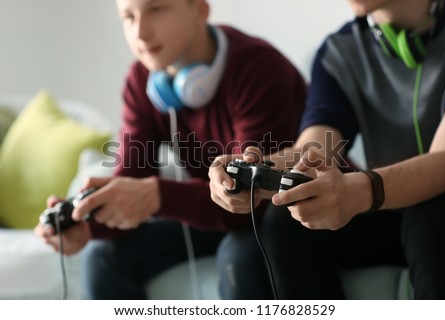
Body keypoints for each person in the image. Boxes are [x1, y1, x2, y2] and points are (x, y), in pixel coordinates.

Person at [34, 0, 307, 299]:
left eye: (157, 9)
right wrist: (88, 223)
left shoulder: (259, 67)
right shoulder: (142, 81)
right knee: (104, 256)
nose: (140, 32)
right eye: (128, 16)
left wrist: (156, 196)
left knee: (239, 254)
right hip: (215, 212)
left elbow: (249, 201)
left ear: (200, 11)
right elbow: (130, 180)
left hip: (278, 217)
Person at [209, 0, 445, 299]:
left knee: (431, 215)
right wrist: (255, 171)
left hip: (435, 216)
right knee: (288, 220)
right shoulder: (339, 49)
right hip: (389, 215)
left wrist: (361, 190)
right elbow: (315, 147)